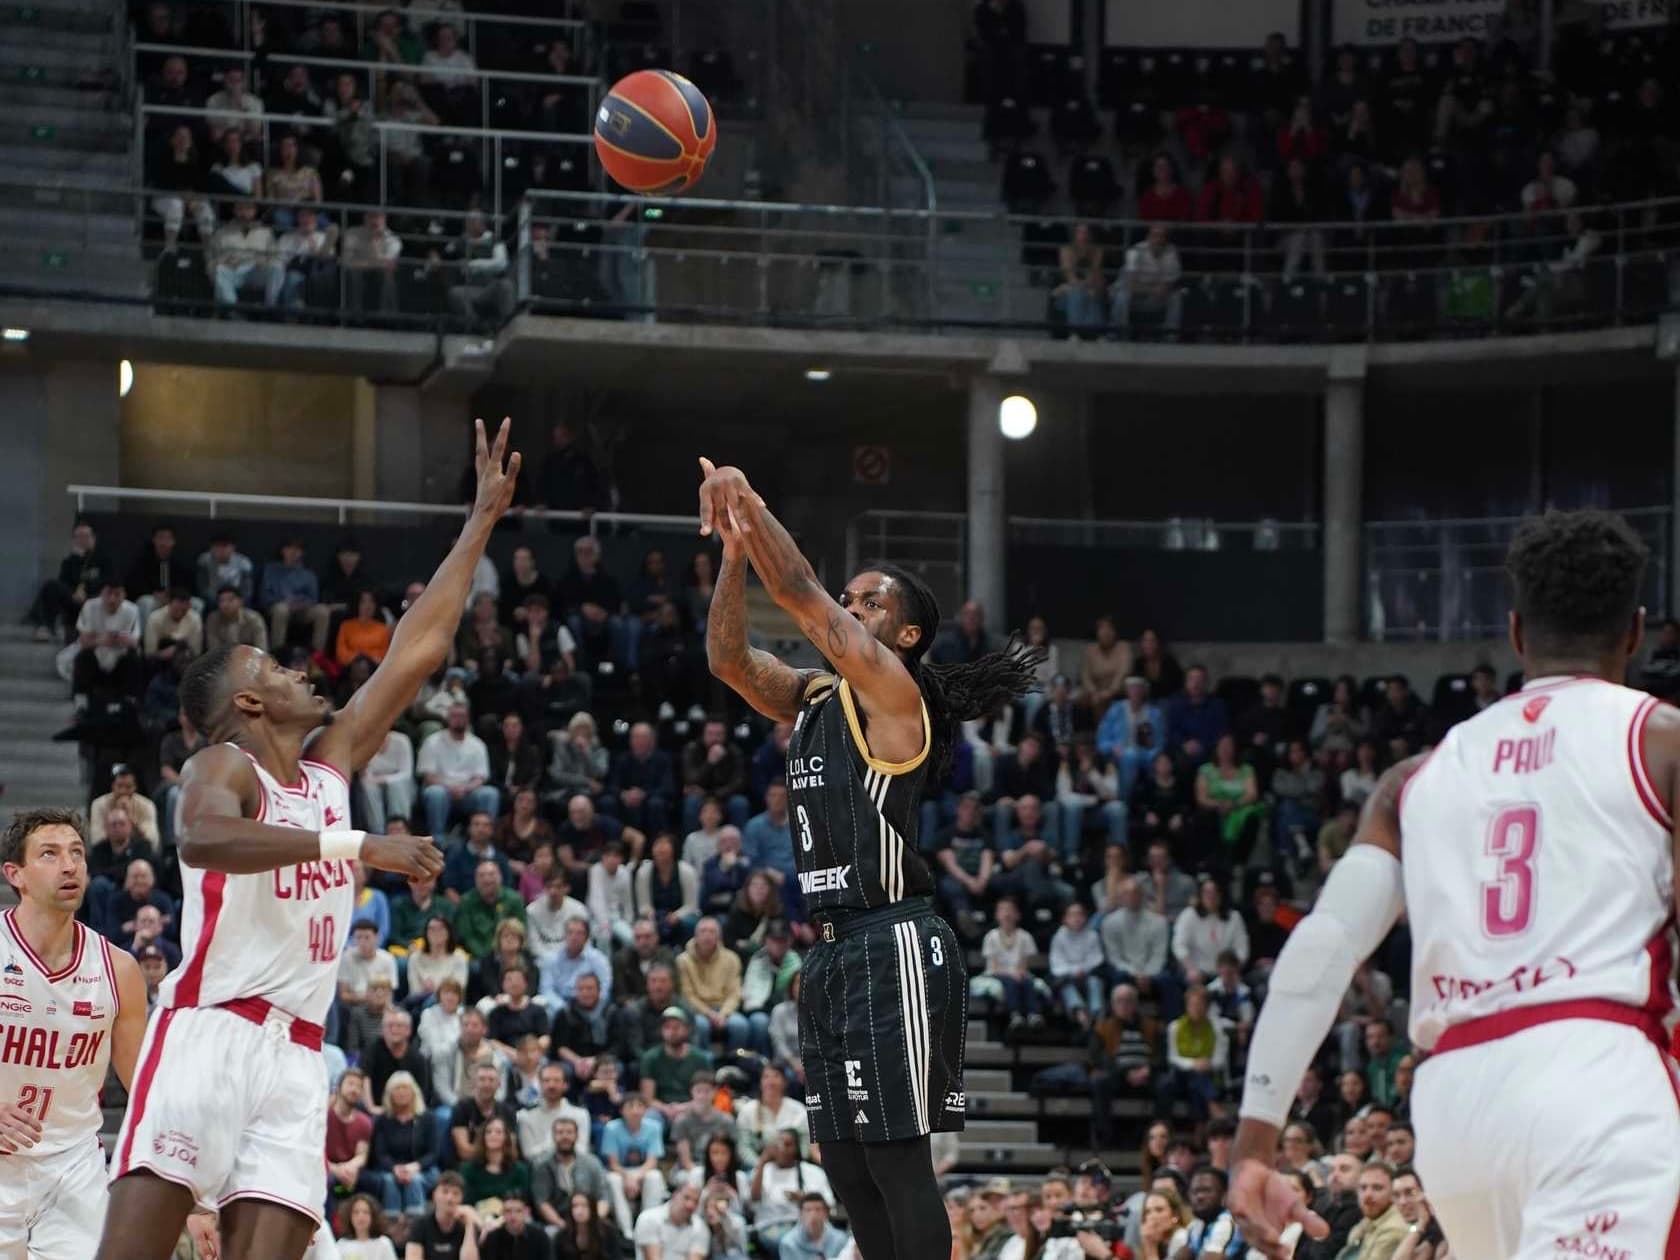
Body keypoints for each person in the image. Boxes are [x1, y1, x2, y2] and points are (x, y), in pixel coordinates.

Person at [98, 420, 517, 1260]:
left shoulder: (330, 764)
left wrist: (480, 522)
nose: (300, 672)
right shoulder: (223, 766)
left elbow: (417, 648)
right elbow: (206, 838)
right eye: (276, 671)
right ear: (250, 705)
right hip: (208, 1036)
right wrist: (355, 848)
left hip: (297, 1057)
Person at [1231, 508, 1680, 1258]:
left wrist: (1254, 1144)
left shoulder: (1416, 777)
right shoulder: (1660, 740)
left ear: (1514, 632)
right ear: (1634, 632)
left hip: (1454, 1105)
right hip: (1598, 1075)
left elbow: (1319, 954)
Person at [700, 454, 1042, 1260]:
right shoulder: (819, 697)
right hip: (830, 952)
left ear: (906, 631)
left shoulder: (896, 693)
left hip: (894, 942)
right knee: (848, 1170)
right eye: (847, 597)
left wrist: (747, 505)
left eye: (866, 600)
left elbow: (798, 593)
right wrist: (732, 554)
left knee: (895, 1161)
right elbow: (729, 662)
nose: (848, 606)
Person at [0, 808, 148, 1259]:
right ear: (15, 874)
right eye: (49, 854)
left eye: (77, 854)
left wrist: (195, 1194)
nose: (69, 865)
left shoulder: (118, 969)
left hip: (72, 1166)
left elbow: (149, 1090)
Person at [779, 1194, 849, 1260]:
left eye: (818, 1210)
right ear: (800, 1214)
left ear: (826, 1213)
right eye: (808, 1210)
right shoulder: (788, 1243)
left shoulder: (840, 1240)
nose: (813, 1215)